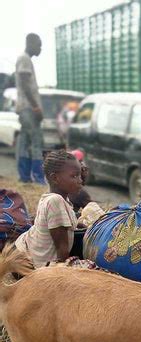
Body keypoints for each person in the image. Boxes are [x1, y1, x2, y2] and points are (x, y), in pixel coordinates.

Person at [15, 150, 82, 267]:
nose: (80, 180)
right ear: (55, 178)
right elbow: (62, 249)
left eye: (79, 175)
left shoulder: (58, 200)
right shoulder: (55, 201)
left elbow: (67, 226)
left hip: (26, 253)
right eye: (74, 176)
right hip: (32, 266)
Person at [15, 33, 45, 184]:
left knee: (26, 141)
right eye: (39, 45)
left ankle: (25, 177)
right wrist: (36, 107)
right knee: (36, 140)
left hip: (25, 107)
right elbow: (26, 85)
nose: (40, 48)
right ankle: (39, 178)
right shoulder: (25, 59)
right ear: (31, 44)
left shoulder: (25, 59)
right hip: (28, 108)